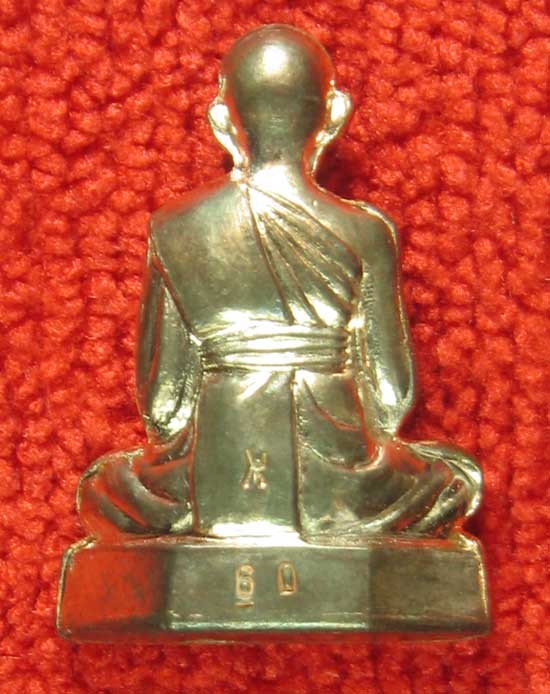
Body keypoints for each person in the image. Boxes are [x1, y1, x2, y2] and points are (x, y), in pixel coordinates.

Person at [78, 25, 481, 542]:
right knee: (455, 480)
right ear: (334, 115)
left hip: (208, 468)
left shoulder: (176, 227)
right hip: (338, 472)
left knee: (102, 487)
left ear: (222, 120)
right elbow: (388, 396)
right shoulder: (365, 232)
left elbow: (162, 404)